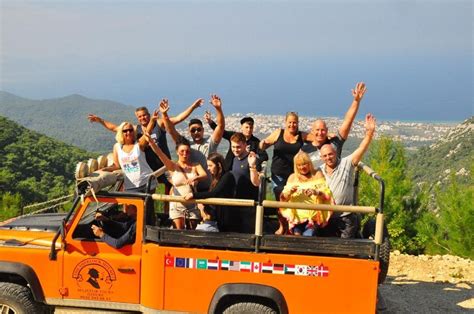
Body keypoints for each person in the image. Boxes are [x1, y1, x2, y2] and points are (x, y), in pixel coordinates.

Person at [87, 100, 203, 199]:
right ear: (137, 118)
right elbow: (115, 128)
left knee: (171, 190)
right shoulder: (134, 129)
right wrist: (100, 120)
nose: (143, 117)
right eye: (140, 116)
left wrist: (193, 107)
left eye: (145, 115)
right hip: (148, 167)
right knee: (150, 197)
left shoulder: (159, 123)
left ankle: (168, 216)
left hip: (164, 165)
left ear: (149, 114)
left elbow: (178, 118)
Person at [319, 113, 376, 238]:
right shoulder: (319, 171)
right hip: (327, 217)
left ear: (335, 153)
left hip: (346, 217)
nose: (328, 157)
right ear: (321, 158)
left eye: (330, 154)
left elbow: (361, 148)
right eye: (325, 156)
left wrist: (369, 133)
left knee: (345, 247)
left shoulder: (346, 163)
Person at [259, 111, 310, 234]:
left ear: (298, 123)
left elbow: (317, 138)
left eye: (294, 122)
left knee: (295, 202)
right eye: (290, 122)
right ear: (285, 122)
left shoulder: (301, 135)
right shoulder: (278, 133)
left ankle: (293, 227)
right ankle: (283, 226)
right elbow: (264, 144)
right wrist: (263, 143)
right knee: (281, 202)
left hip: (295, 176)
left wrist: (329, 135)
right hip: (278, 174)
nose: (292, 125)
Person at [145, 132, 208, 230]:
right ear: (177, 152)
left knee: (192, 234)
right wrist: (151, 142)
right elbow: (160, 154)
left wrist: (195, 178)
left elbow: (204, 175)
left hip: (192, 205)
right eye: (182, 151)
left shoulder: (195, 165)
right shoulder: (173, 166)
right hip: (177, 205)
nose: (185, 154)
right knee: (178, 233)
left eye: (187, 151)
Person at [302, 82, 367, 168]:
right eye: (317, 130)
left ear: (327, 131)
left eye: (323, 130)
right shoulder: (305, 150)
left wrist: (356, 101)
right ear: (312, 131)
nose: (320, 133)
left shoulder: (335, 143)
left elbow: (348, 121)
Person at [279, 152, 333, 236]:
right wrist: (290, 192)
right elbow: (282, 199)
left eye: (304, 164)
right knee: (297, 238)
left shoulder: (317, 174)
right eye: (299, 165)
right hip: (297, 219)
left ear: (309, 164)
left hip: (314, 219)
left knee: (308, 236)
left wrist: (316, 192)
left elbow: (327, 196)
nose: (302, 167)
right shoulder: (292, 177)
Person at [184, 153, 236, 232]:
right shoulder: (217, 178)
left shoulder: (227, 176)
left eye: (210, 165)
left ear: (218, 165)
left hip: (225, 216)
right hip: (218, 215)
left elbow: (214, 193)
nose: (208, 168)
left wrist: (194, 195)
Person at [102, 121, 157, 192]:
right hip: (130, 185)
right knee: (131, 203)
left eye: (130, 130)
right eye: (125, 131)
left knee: (148, 203)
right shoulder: (117, 147)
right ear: (121, 133)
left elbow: (147, 132)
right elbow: (116, 165)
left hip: (147, 181)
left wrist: (152, 119)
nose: (128, 132)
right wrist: (104, 169)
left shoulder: (139, 144)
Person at [230, 133, 261, 233]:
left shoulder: (252, 159)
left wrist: (252, 166)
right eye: (233, 147)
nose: (235, 149)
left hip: (249, 205)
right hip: (235, 203)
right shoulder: (234, 159)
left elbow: (256, 183)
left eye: (238, 147)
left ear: (245, 145)